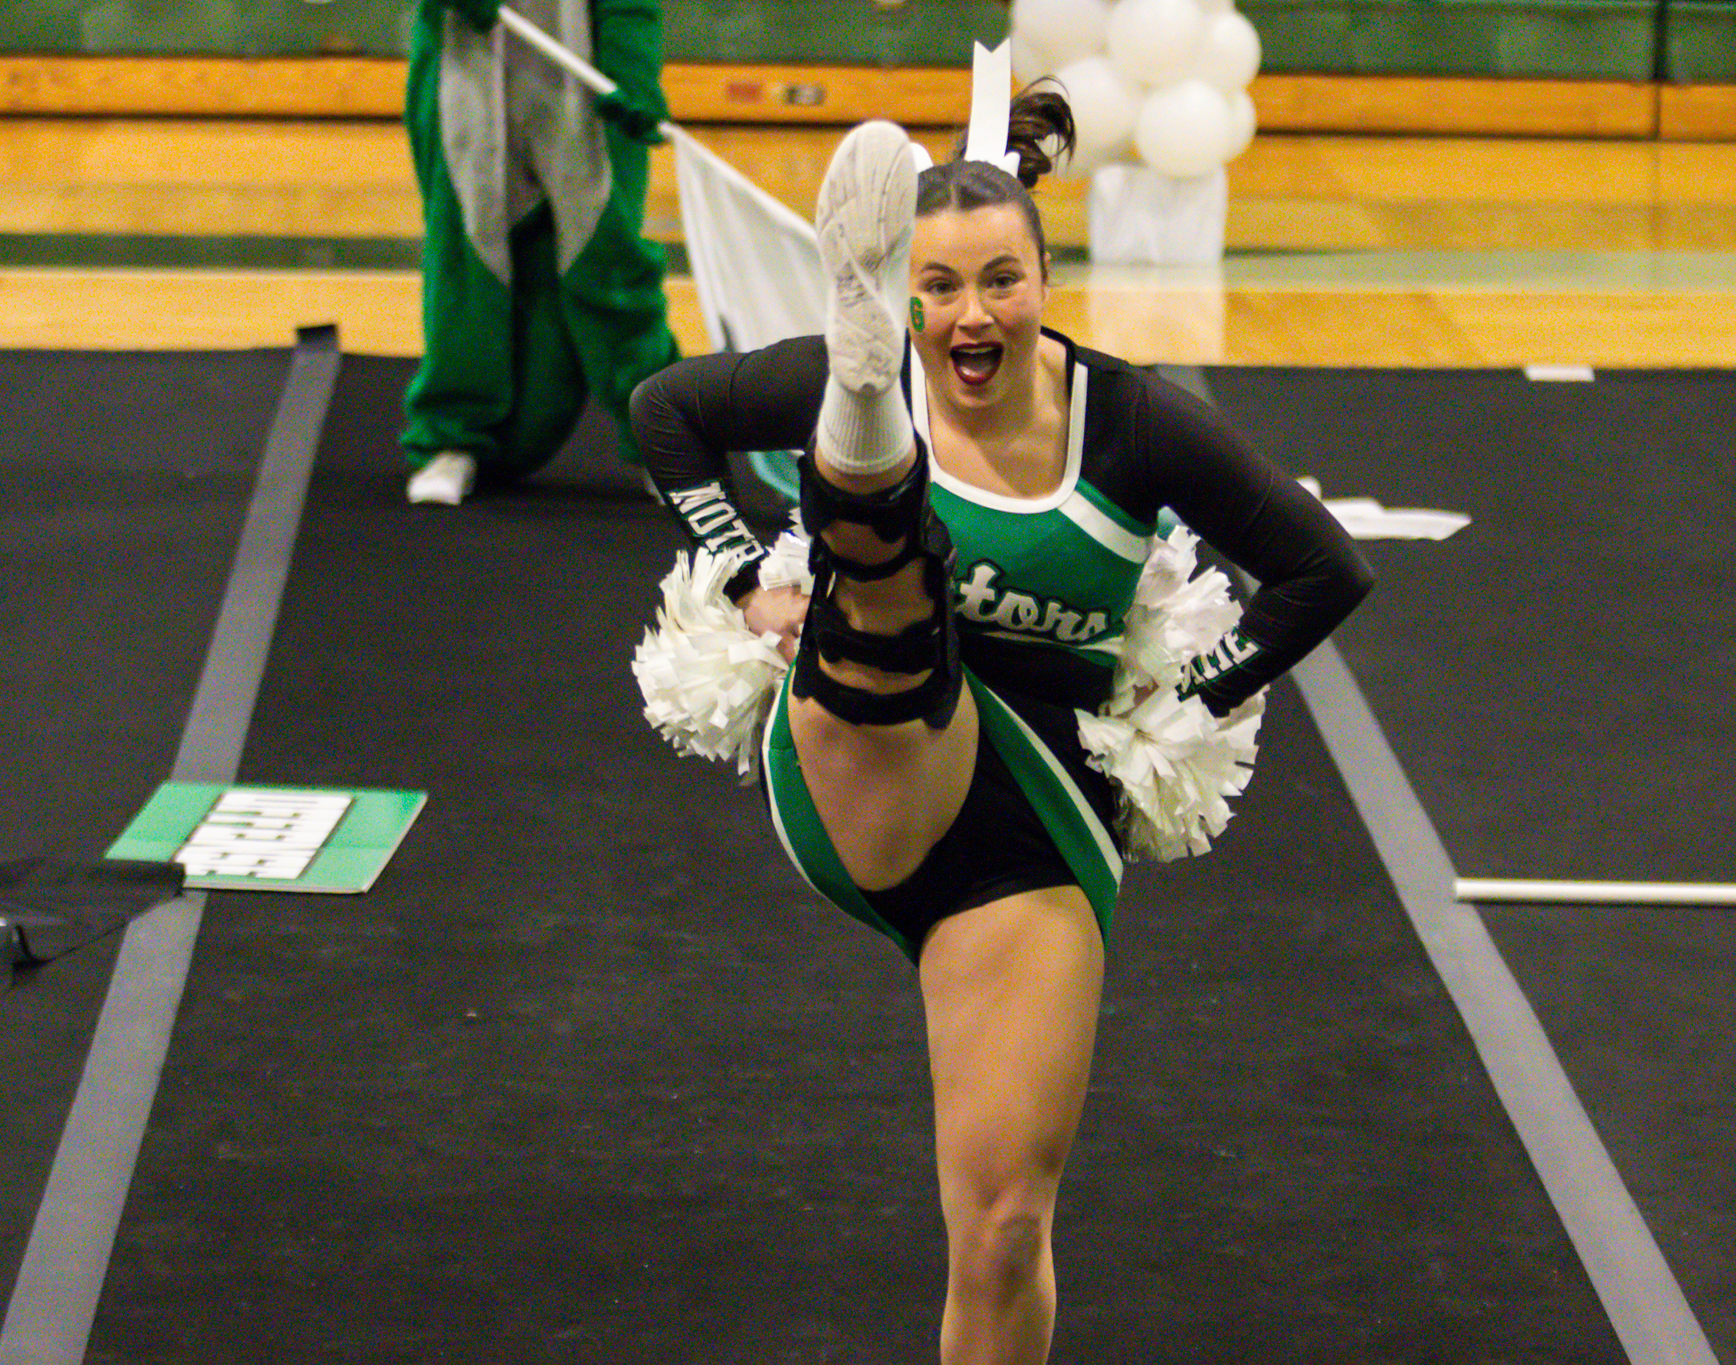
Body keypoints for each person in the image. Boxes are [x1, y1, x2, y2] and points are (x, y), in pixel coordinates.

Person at [629, 93, 1373, 1365]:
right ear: (901, 300)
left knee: (1003, 1227)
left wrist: (1184, 705)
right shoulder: (873, 359)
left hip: (1038, 824)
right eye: (935, 290)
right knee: (893, 625)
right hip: (863, 751)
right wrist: (748, 568)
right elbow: (664, 412)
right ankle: (867, 441)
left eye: (1000, 283)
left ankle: (870, 478)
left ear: (1045, 277)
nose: (972, 318)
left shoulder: (1132, 422)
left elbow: (1321, 573)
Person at [402, 0, 680, 504]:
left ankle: (661, 442)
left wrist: (632, 63)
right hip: (463, 59)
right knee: (464, 257)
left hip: (582, 65)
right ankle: (451, 436)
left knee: (610, 261)